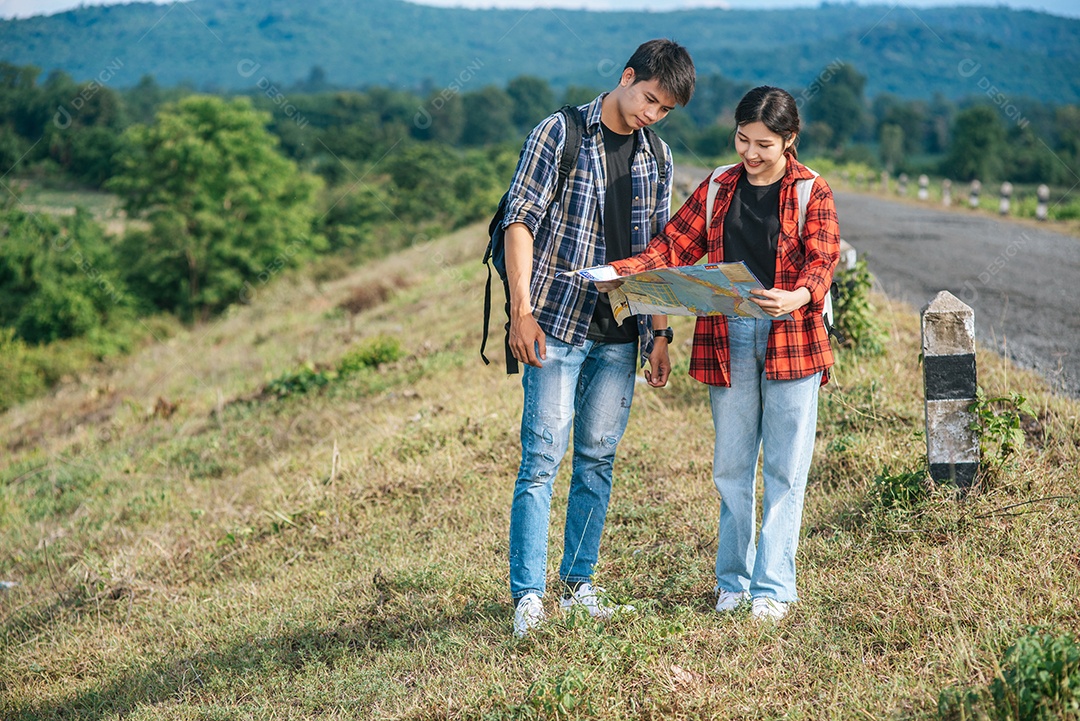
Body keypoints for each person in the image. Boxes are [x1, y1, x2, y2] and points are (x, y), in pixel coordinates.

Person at [599, 86, 840, 622]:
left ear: (789, 141)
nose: (750, 153)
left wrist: (798, 295)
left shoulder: (810, 192)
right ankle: (731, 581)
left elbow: (822, 261)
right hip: (726, 335)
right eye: (742, 139)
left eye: (764, 144)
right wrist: (621, 273)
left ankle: (772, 588)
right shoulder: (716, 187)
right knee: (732, 466)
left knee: (785, 467)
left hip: (792, 339)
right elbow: (671, 247)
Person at [503, 39, 696, 638]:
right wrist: (520, 311)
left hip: (620, 334)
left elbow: (657, 254)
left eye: (664, 110)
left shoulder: (657, 158)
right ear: (627, 77)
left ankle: (579, 583)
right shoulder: (559, 134)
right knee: (541, 459)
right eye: (649, 99)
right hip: (556, 322)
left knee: (597, 460)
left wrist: (659, 334)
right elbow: (519, 220)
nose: (651, 114)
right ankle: (529, 597)